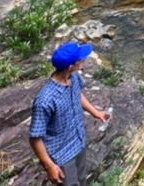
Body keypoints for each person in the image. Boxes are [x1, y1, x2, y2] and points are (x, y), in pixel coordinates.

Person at [30, 42, 110, 186]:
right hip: (61, 154)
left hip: (78, 141)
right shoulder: (45, 100)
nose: (83, 61)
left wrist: (95, 113)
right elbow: (35, 138)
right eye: (80, 59)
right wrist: (50, 166)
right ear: (70, 66)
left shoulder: (74, 77)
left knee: (82, 180)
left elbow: (77, 94)